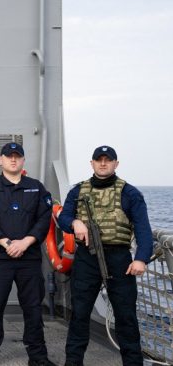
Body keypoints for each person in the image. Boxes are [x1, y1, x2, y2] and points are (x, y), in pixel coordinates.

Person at [58, 145, 153, 366]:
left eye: (107, 160)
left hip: (119, 260)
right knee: (79, 314)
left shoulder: (130, 193)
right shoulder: (78, 191)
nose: (103, 163)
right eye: (98, 160)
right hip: (86, 257)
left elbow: (143, 230)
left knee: (126, 317)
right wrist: (74, 222)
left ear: (115, 164)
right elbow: (63, 217)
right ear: (92, 163)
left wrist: (141, 258)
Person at [0, 142, 55, 366]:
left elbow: (44, 219)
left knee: (33, 309)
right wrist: (7, 243)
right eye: (8, 156)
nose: (13, 160)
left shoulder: (36, 188)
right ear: (0, 160)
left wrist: (26, 242)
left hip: (29, 259)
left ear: (23, 160)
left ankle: (38, 358)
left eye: (17, 156)